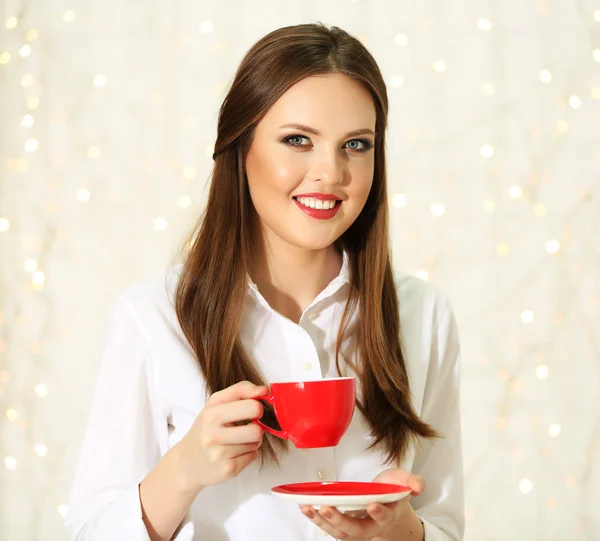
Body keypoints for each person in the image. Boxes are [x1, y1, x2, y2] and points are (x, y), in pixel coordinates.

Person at [65, 22, 464, 541]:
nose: (331, 172)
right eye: (298, 140)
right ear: (240, 147)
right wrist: (182, 472)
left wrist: (403, 532)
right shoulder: (154, 315)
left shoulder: (424, 315)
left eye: (356, 145)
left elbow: (445, 527)